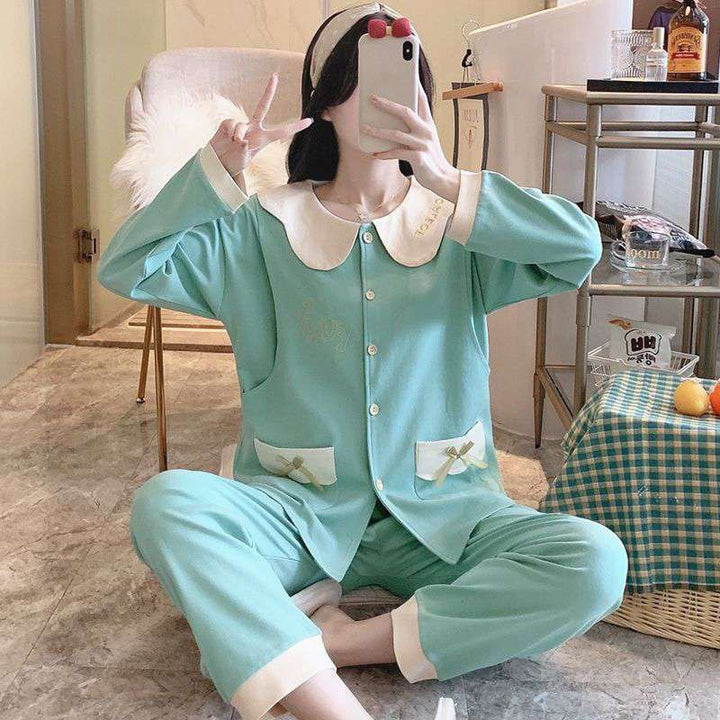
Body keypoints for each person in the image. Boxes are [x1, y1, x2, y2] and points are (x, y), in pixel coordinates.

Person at [97, 3, 629, 720]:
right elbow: (126, 267)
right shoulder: (261, 228)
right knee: (166, 507)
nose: (387, 100)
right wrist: (216, 175)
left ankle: (338, 640)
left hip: (445, 517)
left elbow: (580, 250)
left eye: (403, 80)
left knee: (596, 562)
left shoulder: (457, 227)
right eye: (362, 81)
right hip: (297, 514)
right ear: (324, 103)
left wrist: (444, 177)